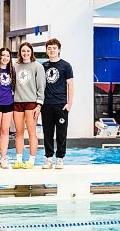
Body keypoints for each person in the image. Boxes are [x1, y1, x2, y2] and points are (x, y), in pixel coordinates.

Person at [41, 38, 74, 169]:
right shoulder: (43, 66)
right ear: (46, 51)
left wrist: (69, 103)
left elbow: (70, 85)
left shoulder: (66, 66)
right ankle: (48, 158)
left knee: (61, 132)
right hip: (46, 105)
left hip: (61, 105)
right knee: (47, 132)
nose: (52, 50)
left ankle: (60, 158)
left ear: (59, 50)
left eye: (54, 48)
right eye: (49, 48)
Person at [12, 42, 46, 169]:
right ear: (20, 53)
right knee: (19, 133)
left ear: (31, 52)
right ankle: (19, 160)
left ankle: (31, 160)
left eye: (27, 51)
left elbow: (41, 87)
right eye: (23, 51)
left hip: (31, 103)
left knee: (32, 132)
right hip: (17, 103)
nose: (25, 53)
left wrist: (39, 105)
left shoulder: (37, 67)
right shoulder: (14, 66)